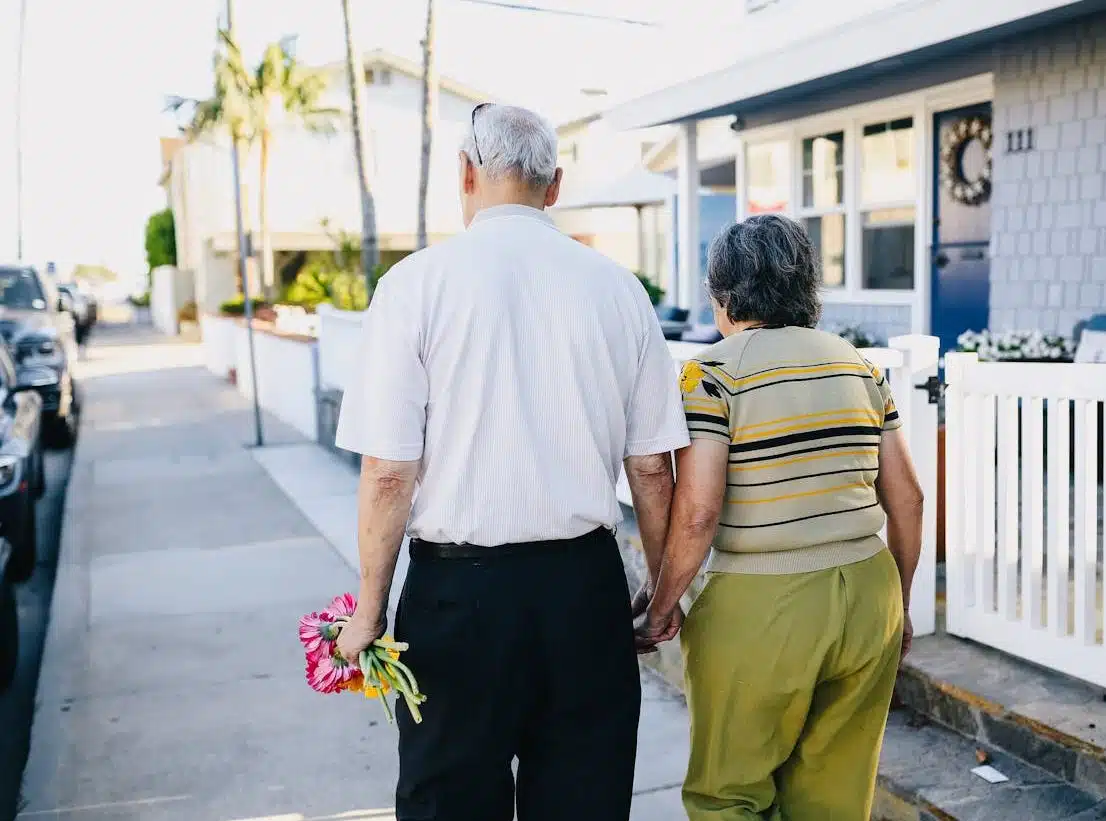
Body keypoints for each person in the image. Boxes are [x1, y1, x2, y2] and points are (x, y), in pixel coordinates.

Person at [333, 104, 689, 821]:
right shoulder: (620, 290)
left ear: (466, 173)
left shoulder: (413, 286)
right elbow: (652, 468)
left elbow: (389, 472)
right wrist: (659, 593)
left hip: (455, 599)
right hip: (583, 593)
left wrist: (368, 608)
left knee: (450, 804)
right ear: (554, 186)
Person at [636, 214, 925, 821]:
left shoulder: (711, 373)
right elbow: (909, 499)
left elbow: (697, 513)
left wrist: (663, 606)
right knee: (834, 802)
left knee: (729, 796)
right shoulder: (860, 366)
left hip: (764, 603)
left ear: (723, 295)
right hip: (870, 591)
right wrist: (899, 604)